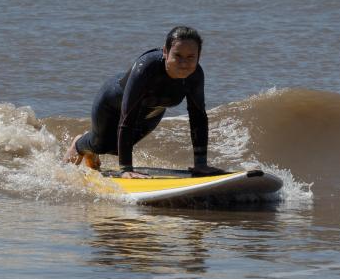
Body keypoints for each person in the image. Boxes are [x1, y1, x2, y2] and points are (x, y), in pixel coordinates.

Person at [64, 26, 224, 178]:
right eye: (178, 56)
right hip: (112, 104)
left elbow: (198, 118)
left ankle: (97, 151)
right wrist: (126, 170)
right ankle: (79, 143)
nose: (184, 63)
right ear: (165, 52)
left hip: (151, 110)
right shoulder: (146, 68)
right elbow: (127, 118)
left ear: (199, 56)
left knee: (118, 150)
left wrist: (201, 164)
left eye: (191, 57)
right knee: (102, 145)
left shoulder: (195, 75)